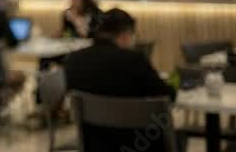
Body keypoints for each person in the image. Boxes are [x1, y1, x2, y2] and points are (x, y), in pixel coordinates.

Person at [64, 8, 176, 151]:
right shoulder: (134, 60)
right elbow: (168, 96)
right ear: (125, 35)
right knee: (177, 137)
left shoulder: (73, 61)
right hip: (139, 144)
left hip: (94, 144)